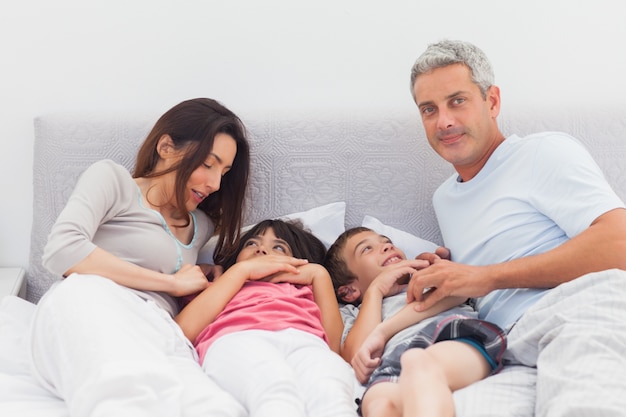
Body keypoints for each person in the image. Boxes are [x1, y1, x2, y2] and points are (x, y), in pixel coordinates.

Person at [407, 40, 626, 416]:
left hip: (579, 308)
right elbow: (485, 269)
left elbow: (618, 243)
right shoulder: (444, 199)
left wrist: (485, 276)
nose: (444, 121)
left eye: (457, 101)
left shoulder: (542, 153)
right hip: (509, 346)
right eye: (430, 109)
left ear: (492, 102)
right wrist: (445, 272)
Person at [30, 98, 251, 417]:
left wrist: (203, 273)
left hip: (159, 330)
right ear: (166, 147)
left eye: (224, 172)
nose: (215, 183)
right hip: (91, 305)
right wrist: (170, 282)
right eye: (207, 164)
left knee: (212, 403)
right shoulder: (113, 181)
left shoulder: (201, 226)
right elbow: (61, 250)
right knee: (120, 389)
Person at [175, 219, 356, 417]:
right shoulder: (221, 285)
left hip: (306, 342)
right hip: (238, 338)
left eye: (278, 247)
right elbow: (181, 331)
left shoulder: (305, 287)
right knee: (275, 391)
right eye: (252, 243)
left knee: (331, 394)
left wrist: (318, 273)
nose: (261, 250)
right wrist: (241, 271)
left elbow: (333, 348)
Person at [324, 226, 506, 417]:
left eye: (387, 242)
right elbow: (356, 355)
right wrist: (375, 290)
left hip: (454, 337)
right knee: (377, 403)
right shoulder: (353, 314)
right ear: (349, 291)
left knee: (418, 363)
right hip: (392, 364)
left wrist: (435, 270)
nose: (386, 246)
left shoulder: (424, 279)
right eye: (366, 249)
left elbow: (460, 292)